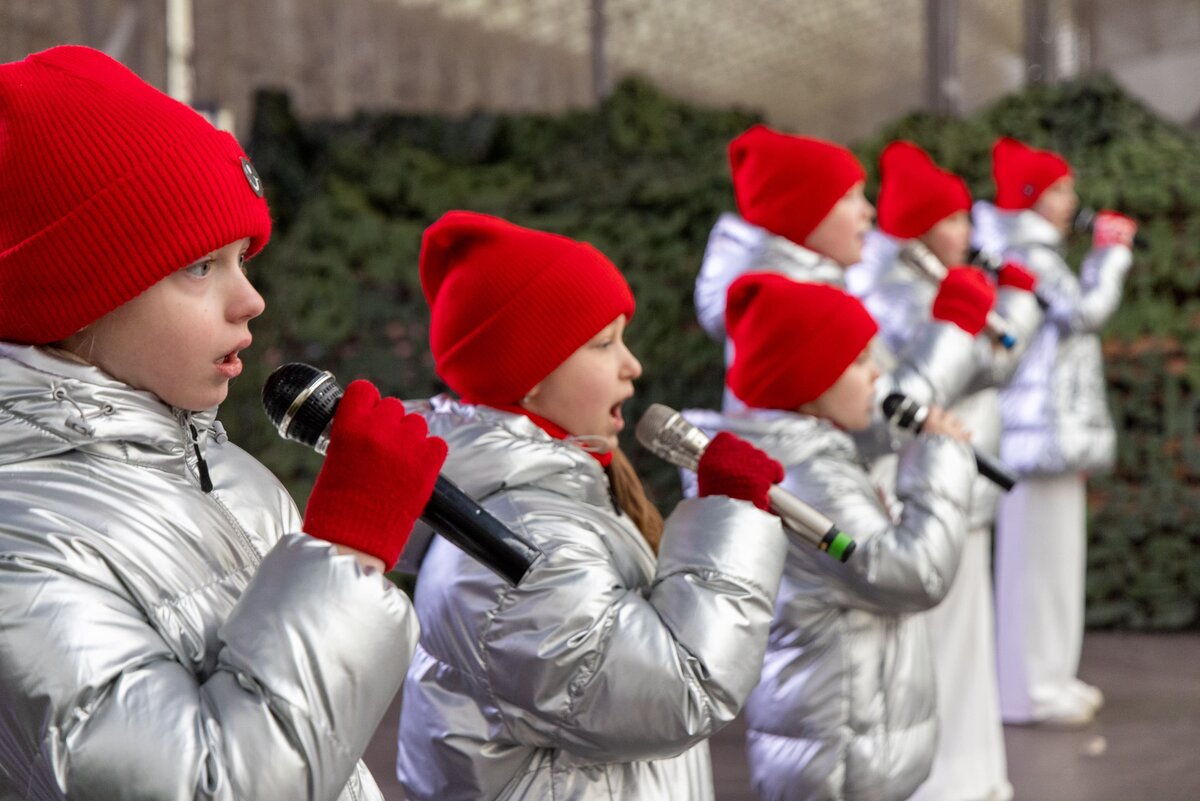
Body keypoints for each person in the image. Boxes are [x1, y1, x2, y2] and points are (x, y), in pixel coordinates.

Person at [0, 45, 447, 800]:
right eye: (199, 266)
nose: (251, 300)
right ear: (73, 297)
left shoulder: (233, 475)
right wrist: (341, 551)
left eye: (244, 258)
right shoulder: (21, 541)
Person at [394, 211, 789, 801]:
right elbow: (678, 691)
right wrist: (728, 517)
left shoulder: (549, 506)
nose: (633, 366)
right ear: (526, 373)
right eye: (603, 344)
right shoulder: (517, 546)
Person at [684, 272, 976, 801]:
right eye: (860, 360)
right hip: (837, 750)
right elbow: (912, 572)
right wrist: (941, 455)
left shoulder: (812, 457)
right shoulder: (805, 475)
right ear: (810, 378)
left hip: (837, 738)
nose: (876, 377)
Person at [850, 141, 1043, 801]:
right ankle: (947, 778)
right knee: (940, 643)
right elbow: (985, 363)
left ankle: (973, 771)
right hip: (924, 484)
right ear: (923, 224)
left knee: (965, 642)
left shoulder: (924, 279)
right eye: (956, 218)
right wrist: (1013, 307)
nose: (969, 231)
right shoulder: (893, 287)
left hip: (958, 479)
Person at [693, 125, 986, 460]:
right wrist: (954, 326)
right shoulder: (792, 308)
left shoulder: (813, 291)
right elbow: (874, 419)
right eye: (848, 197)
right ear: (802, 212)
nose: (868, 211)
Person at [973, 137, 1137, 727]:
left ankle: (1052, 677)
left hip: (1050, 433)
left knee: (1054, 559)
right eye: (1059, 189)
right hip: (1033, 433)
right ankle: (1030, 689)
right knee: (1035, 565)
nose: (1072, 200)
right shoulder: (1028, 256)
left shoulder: (1033, 251)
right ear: (1029, 196)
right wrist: (1111, 256)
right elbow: (1083, 312)